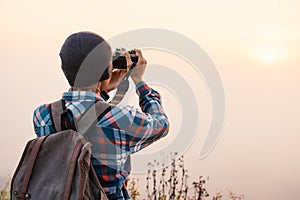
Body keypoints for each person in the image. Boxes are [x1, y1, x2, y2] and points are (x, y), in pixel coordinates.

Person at [32, 31, 170, 199]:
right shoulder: (121, 119)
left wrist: (101, 90)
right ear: (106, 71)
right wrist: (139, 82)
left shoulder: (43, 116)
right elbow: (161, 124)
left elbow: (82, 116)